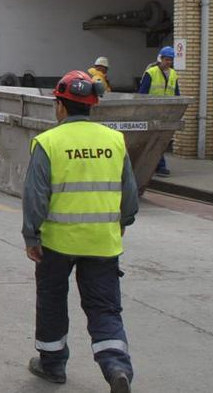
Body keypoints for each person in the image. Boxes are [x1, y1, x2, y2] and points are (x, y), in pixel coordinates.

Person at [23, 70, 139, 393]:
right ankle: (116, 366)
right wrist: (123, 221)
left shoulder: (49, 142)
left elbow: (35, 196)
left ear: (60, 105)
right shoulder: (114, 140)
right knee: (104, 307)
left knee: (52, 302)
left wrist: (31, 236)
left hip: (57, 244)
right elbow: (129, 192)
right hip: (102, 242)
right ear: (91, 105)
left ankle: (52, 365)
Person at [138, 46, 179, 176]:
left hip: (166, 112)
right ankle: (158, 165)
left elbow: (176, 93)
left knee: (160, 140)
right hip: (151, 111)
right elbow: (142, 93)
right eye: (166, 59)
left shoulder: (173, 74)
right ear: (160, 59)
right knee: (153, 139)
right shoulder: (151, 73)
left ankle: (157, 165)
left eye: (170, 60)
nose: (168, 62)